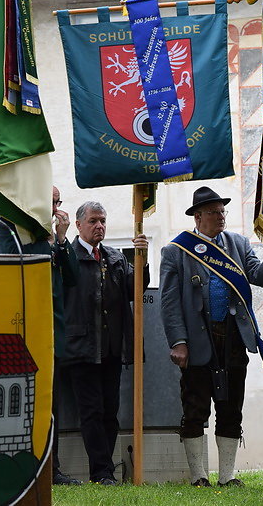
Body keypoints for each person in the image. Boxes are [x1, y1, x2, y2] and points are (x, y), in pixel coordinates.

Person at [159, 186, 263, 488]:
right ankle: (199, 475)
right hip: (197, 341)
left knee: (231, 407)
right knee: (195, 407)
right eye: (213, 212)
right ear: (198, 217)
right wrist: (178, 342)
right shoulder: (177, 251)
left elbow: (260, 276)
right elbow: (170, 303)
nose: (220, 216)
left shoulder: (237, 243)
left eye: (222, 211)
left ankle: (228, 476)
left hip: (234, 339)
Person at [0, 186, 81, 485]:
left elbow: (73, 278)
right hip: (20, 333)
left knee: (51, 405)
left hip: (51, 333)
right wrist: (46, 242)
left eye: (58, 202)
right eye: (51, 202)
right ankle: (19, 466)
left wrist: (60, 238)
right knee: (18, 406)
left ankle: (50, 467)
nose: (56, 209)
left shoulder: (52, 240)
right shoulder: (13, 230)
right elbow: (14, 264)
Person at [63, 201, 149, 485]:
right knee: (91, 412)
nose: (99, 226)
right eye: (93, 221)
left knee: (110, 411)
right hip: (81, 349)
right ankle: (100, 472)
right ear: (79, 225)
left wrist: (142, 259)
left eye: (103, 221)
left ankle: (104, 471)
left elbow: (134, 289)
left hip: (111, 348)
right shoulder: (69, 256)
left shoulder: (114, 257)